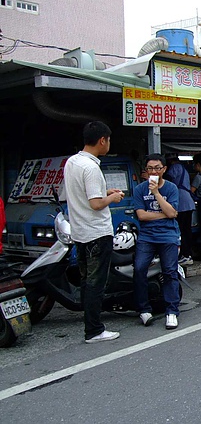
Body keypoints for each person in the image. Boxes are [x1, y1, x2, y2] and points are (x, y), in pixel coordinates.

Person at [63, 121, 124, 343]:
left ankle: (92, 327)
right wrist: (113, 197)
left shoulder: (73, 162)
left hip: (80, 233)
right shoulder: (91, 167)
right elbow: (97, 204)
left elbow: (82, 192)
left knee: (87, 281)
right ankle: (94, 330)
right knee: (96, 283)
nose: (109, 144)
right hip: (96, 233)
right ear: (102, 140)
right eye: (109, 140)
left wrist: (104, 191)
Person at [133, 153, 181, 330]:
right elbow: (141, 215)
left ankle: (172, 311)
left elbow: (172, 213)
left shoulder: (171, 188)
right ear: (145, 170)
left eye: (157, 168)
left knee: (170, 271)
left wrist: (155, 193)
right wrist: (164, 214)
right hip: (146, 236)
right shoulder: (139, 189)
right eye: (150, 168)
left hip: (168, 235)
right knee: (139, 269)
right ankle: (144, 310)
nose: (153, 171)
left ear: (164, 170)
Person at [164, 153, 195, 266]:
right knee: (186, 230)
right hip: (187, 202)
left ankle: (185, 255)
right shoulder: (183, 169)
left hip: (181, 203)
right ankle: (188, 254)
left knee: (182, 231)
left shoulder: (175, 168)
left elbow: (168, 179)